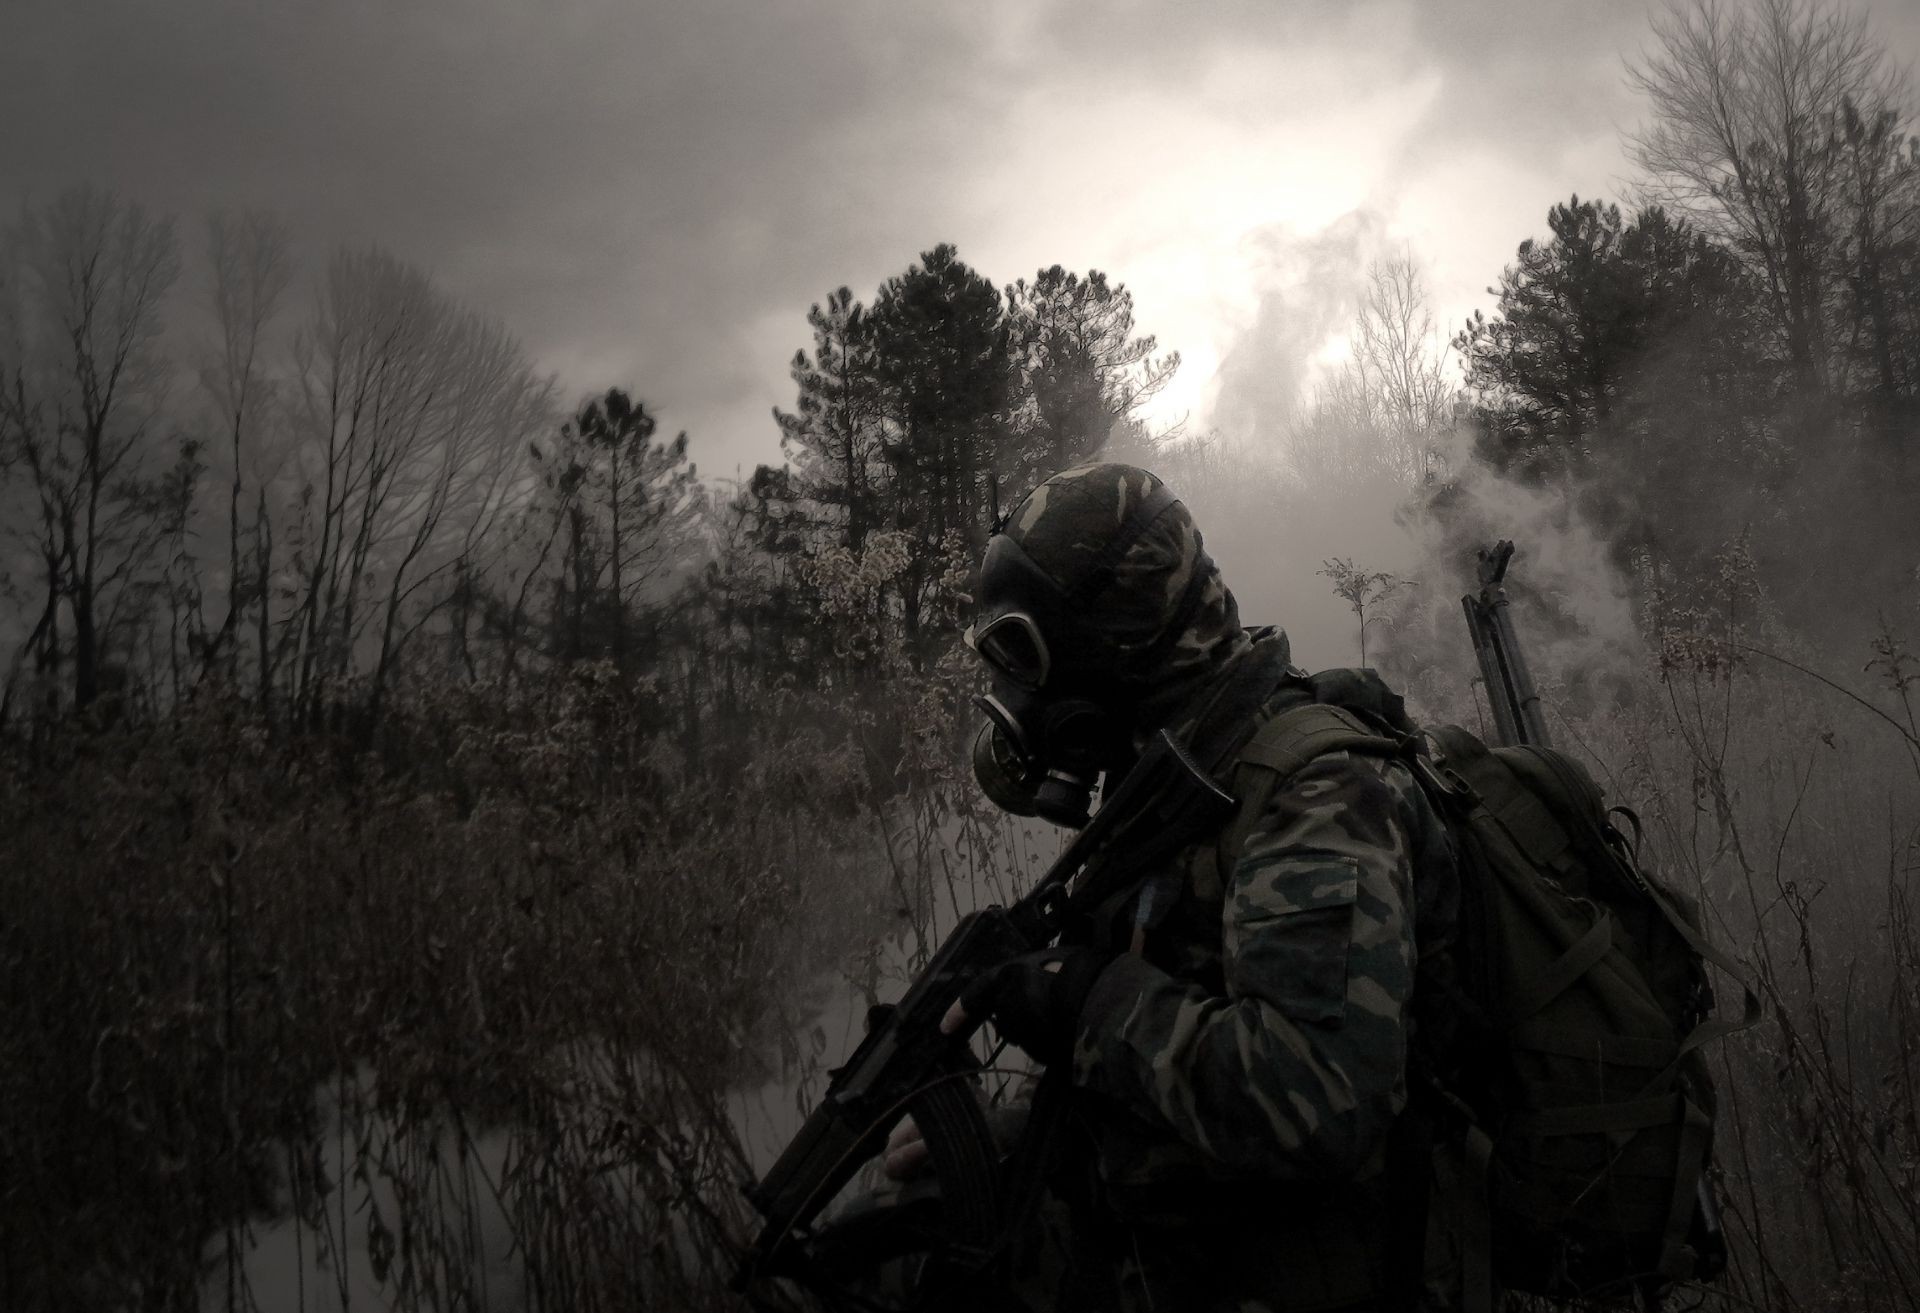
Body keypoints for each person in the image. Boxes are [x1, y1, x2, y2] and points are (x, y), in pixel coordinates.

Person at [898, 461, 1462, 1312]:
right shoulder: (1177, 777)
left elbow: (1318, 1099)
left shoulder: (1314, 794)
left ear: (1118, 635)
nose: (1016, 692)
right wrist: (1010, 1138)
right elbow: (1181, 1028)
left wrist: (1086, 1001)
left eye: (1026, 649)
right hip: (1189, 1242)